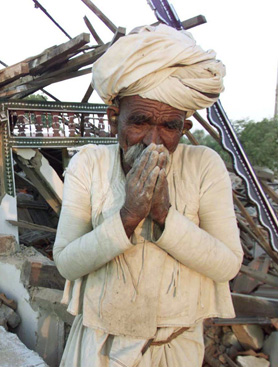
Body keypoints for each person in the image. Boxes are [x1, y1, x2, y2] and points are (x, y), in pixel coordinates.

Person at [53, 24, 243, 367]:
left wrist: (164, 216)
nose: (154, 142)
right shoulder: (90, 164)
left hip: (174, 350)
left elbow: (227, 265)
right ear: (115, 120)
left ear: (184, 128)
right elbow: (66, 262)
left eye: (169, 127)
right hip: (98, 348)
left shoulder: (203, 165)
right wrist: (128, 217)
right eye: (139, 122)